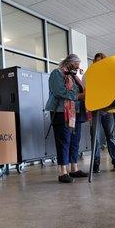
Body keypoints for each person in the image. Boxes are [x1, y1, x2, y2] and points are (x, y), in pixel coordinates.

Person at [46, 54, 88, 184]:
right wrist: (80, 96)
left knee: (74, 141)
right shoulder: (56, 73)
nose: (78, 67)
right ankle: (62, 172)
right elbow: (60, 92)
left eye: (78, 65)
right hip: (61, 112)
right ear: (68, 62)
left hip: (75, 113)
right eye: (76, 65)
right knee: (64, 141)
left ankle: (73, 168)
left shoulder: (73, 77)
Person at [92, 53, 115, 173]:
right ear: (94, 62)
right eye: (97, 61)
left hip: (108, 110)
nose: (99, 64)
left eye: (102, 61)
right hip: (95, 110)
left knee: (111, 137)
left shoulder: (109, 75)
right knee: (95, 138)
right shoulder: (89, 75)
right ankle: (95, 164)